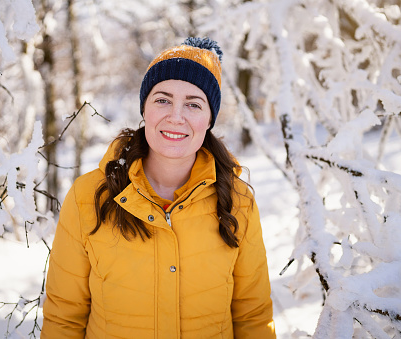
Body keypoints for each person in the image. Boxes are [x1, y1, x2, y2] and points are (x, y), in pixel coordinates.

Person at [41, 37, 276, 338]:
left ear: (209, 120)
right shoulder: (88, 196)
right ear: (145, 109)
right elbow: (64, 316)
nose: (175, 117)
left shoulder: (237, 201)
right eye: (163, 99)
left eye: (193, 104)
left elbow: (253, 317)